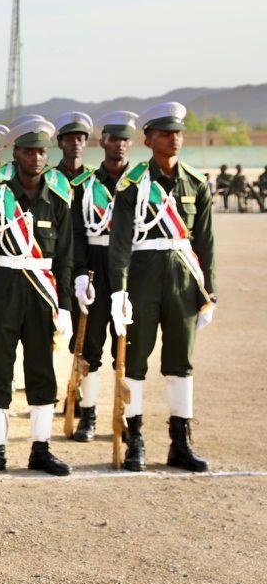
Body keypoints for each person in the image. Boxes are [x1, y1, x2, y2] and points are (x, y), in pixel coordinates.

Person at [0, 116, 74, 477]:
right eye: (29, 152)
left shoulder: (57, 200)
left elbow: (68, 257)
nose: (37, 159)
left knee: (41, 369)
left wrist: (67, 305)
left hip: (43, 292)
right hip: (4, 288)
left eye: (42, 152)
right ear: (16, 154)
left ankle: (41, 449)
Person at [108, 102, 215, 472]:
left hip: (183, 282)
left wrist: (208, 294)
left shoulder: (196, 182)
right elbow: (120, 242)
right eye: (166, 133)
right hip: (142, 279)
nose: (174, 139)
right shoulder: (133, 183)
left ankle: (180, 441)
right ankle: (135, 437)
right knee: (135, 360)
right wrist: (118, 291)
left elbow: (204, 243)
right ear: (149, 138)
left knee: (180, 362)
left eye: (178, 133)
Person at [66, 111, 136, 442]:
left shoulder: (139, 183)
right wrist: (79, 274)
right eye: (113, 138)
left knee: (127, 345)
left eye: (125, 140)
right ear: (103, 141)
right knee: (90, 345)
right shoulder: (84, 185)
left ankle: (126, 418)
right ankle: (88, 415)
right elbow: (76, 235)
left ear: (131, 144)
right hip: (94, 265)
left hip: (128, 268)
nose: (119, 145)